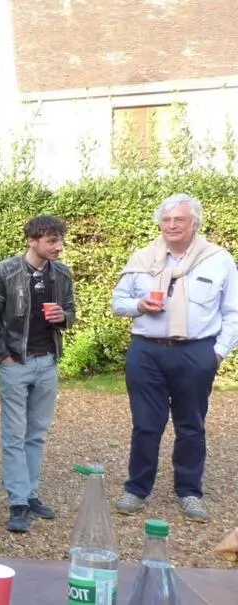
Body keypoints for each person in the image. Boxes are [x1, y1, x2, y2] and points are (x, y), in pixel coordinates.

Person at [111, 193, 238, 523]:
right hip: (146, 351)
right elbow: (118, 302)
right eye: (166, 220)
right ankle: (137, 489)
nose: (171, 225)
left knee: (191, 425)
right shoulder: (142, 257)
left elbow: (233, 312)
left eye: (179, 219)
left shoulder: (218, 259)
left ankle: (189, 492)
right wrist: (139, 306)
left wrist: (217, 353)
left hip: (196, 352)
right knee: (145, 425)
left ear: (194, 223)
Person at [0, 215, 75, 534]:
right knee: (14, 434)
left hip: (48, 362)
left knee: (37, 433)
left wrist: (63, 317)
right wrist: (2, 356)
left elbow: (71, 312)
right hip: (15, 364)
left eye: (60, 240)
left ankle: (31, 494)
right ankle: (18, 501)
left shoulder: (62, 274)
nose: (59, 246)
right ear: (32, 241)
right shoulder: (5, 271)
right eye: (52, 241)